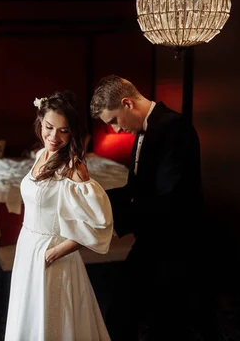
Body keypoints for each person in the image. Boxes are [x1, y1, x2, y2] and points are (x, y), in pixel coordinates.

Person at [90, 75, 213, 341]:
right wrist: (92, 199)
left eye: (113, 121)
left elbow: (168, 199)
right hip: (152, 237)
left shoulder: (175, 129)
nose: (115, 130)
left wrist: (113, 224)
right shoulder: (145, 129)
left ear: (127, 104)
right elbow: (137, 189)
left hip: (177, 241)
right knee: (123, 308)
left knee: (165, 320)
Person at [4, 90, 114, 341]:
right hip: (28, 248)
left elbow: (99, 223)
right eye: (49, 127)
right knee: (29, 316)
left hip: (53, 255)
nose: (54, 137)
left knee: (54, 322)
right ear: (40, 122)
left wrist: (56, 252)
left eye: (63, 131)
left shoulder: (73, 166)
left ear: (74, 132)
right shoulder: (43, 153)